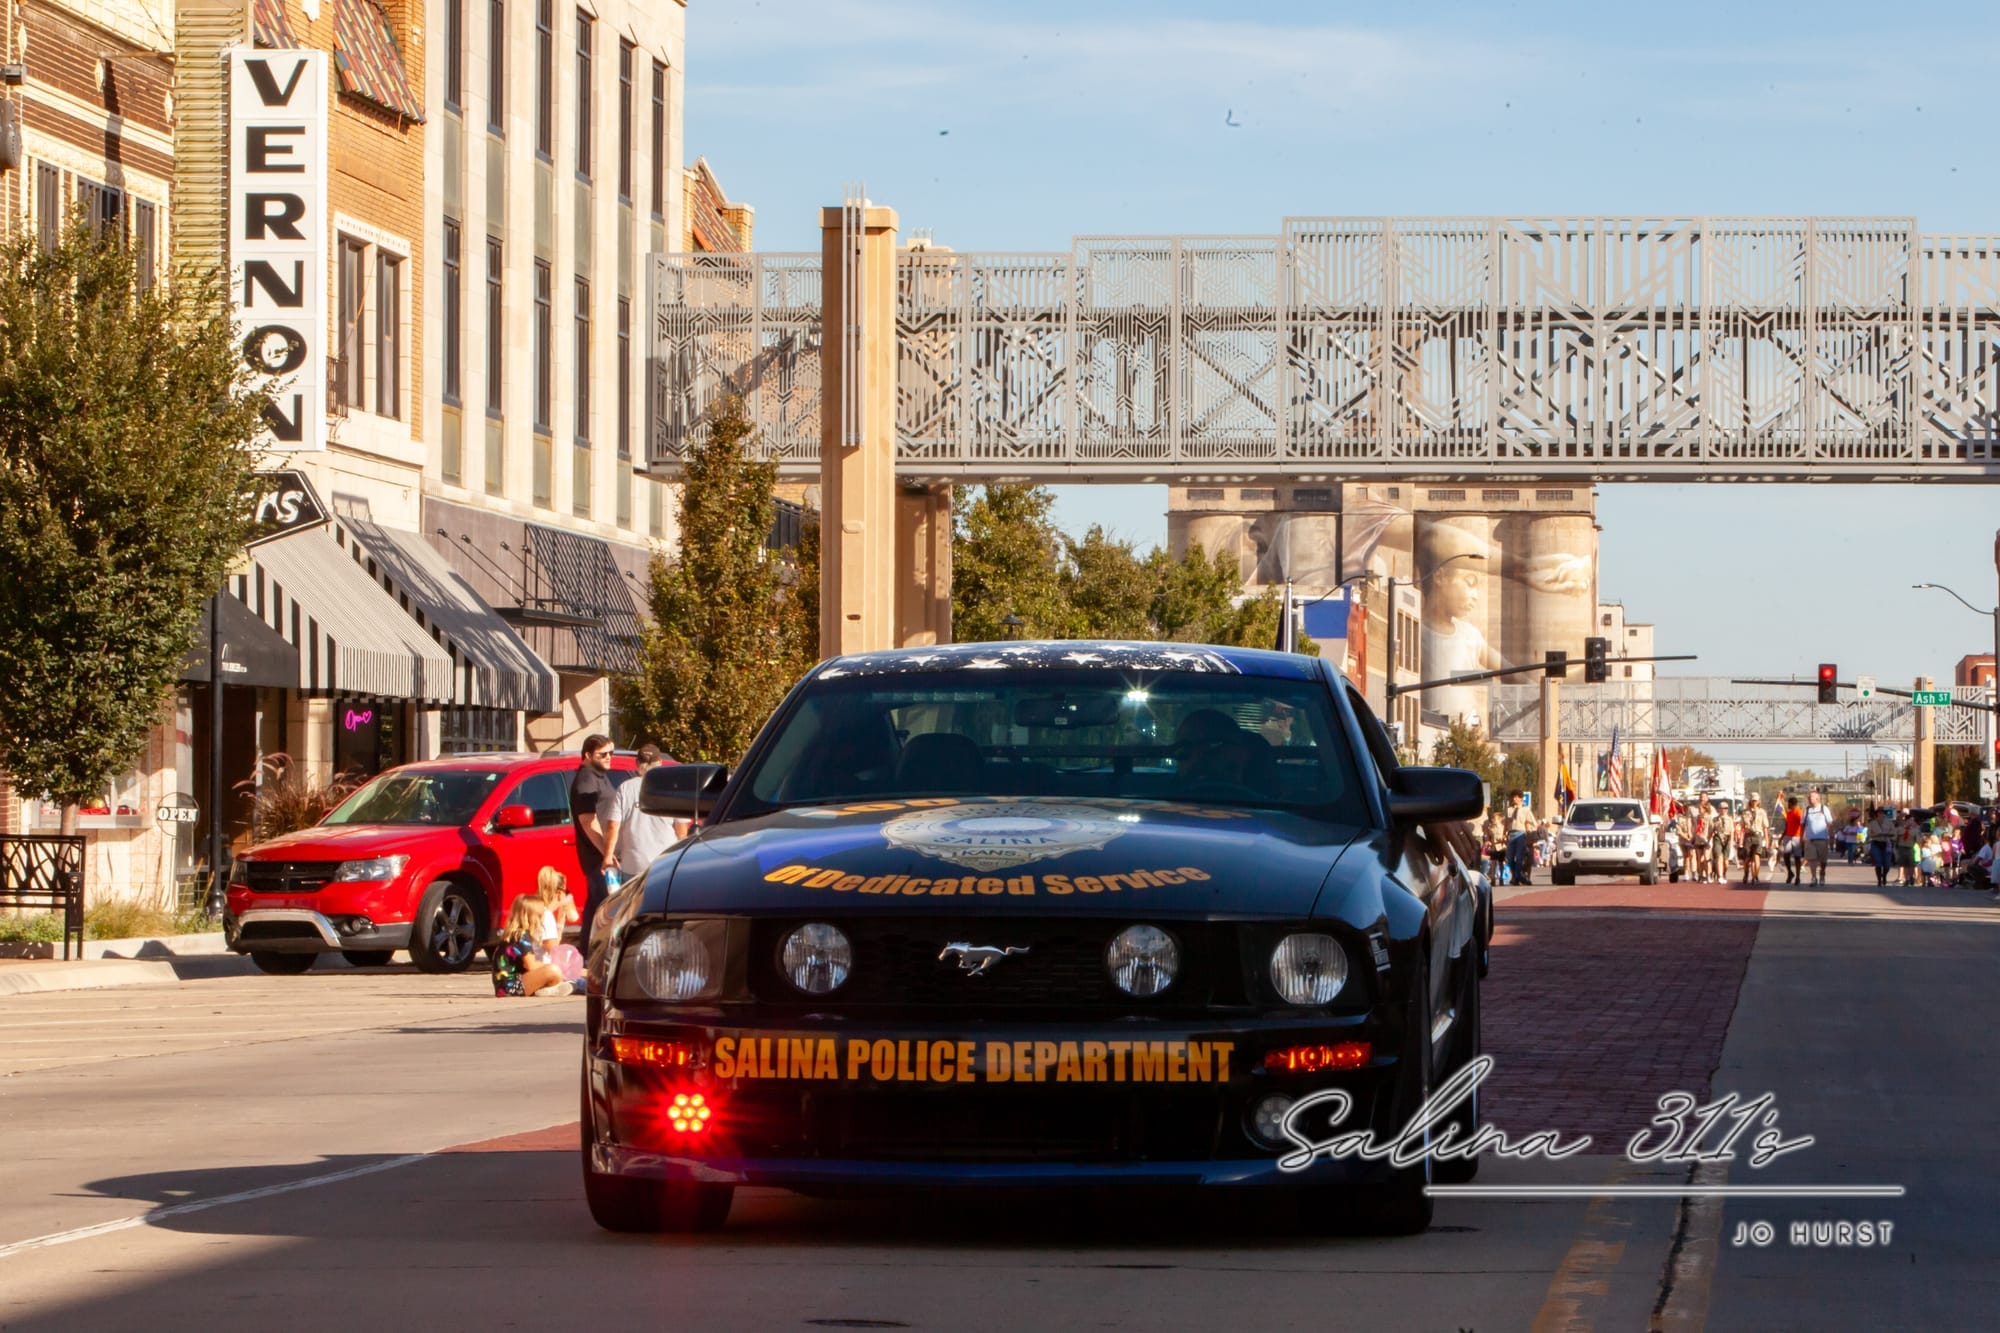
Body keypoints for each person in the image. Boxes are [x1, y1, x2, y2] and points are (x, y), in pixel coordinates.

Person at [604, 745, 686, 892]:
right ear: (660, 763)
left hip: (633, 865)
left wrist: (608, 857)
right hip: (665, 865)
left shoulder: (625, 788)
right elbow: (681, 833)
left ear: (637, 763)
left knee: (633, 904)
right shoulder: (673, 788)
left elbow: (613, 826)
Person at [569, 734, 621, 957]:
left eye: (611, 753)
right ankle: (592, 953)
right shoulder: (586, 780)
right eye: (603, 754)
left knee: (596, 903)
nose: (609, 757)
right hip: (597, 856)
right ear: (588, 755)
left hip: (603, 854)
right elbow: (588, 821)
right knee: (603, 904)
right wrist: (606, 853)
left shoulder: (598, 775)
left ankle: (588, 952)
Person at [491, 895, 571, 997]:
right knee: (554, 971)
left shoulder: (515, 934)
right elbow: (531, 965)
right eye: (541, 915)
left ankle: (548, 988)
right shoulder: (521, 936)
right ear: (532, 916)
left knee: (555, 971)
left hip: (506, 985)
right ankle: (546, 990)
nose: (543, 918)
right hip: (511, 987)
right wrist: (553, 965)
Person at [1800, 789, 1835, 886]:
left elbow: (1830, 823)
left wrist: (1831, 836)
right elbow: (1802, 825)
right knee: (1812, 859)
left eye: (1811, 797)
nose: (1809, 799)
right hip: (1810, 840)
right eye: (1808, 797)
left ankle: (1822, 874)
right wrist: (1801, 837)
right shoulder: (1807, 810)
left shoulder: (1824, 808)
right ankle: (1814, 877)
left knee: (1823, 860)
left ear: (1817, 798)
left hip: (1822, 839)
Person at [1504, 791, 1537, 886]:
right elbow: (1506, 823)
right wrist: (1504, 834)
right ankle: (1520, 877)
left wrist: (1529, 830)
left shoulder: (1526, 810)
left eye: (1516, 797)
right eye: (1513, 797)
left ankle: (1516, 878)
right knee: (1509, 858)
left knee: (1519, 857)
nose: (1514, 799)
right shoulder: (1509, 810)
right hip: (1511, 834)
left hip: (1521, 834)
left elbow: (1534, 823)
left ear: (1521, 799)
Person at [1740, 793, 1770, 885]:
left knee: (1756, 856)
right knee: (1748, 858)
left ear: (1758, 801)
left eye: (1756, 801)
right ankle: (1746, 874)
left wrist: (1767, 840)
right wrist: (1741, 839)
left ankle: (1755, 876)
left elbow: (1765, 827)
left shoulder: (1762, 812)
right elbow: (1742, 827)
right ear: (1750, 801)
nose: (1754, 802)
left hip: (1758, 835)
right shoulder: (1745, 812)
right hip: (1748, 836)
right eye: (1753, 800)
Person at [1867, 805, 1897, 887]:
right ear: (1877, 814)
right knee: (1878, 862)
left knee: (1887, 863)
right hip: (1876, 843)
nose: (1881, 814)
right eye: (1879, 813)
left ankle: (1884, 876)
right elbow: (1869, 834)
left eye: (1882, 813)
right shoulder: (1872, 823)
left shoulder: (1889, 822)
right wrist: (1877, 834)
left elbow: (1894, 833)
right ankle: (1879, 880)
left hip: (1886, 843)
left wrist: (1887, 834)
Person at [1780, 796, 1805, 884]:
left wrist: (1803, 837)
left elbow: (1803, 824)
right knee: (1786, 855)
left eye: (1788, 804)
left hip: (1797, 837)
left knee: (1797, 857)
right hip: (1788, 836)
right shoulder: (1789, 813)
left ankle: (1798, 877)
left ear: (1791, 803)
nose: (1788, 805)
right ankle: (1790, 873)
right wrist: (1782, 837)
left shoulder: (1799, 812)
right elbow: (1787, 826)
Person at [1709, 800, 1734, 885]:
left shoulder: (1730, 819)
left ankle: (1723, 873)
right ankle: (1720, 876)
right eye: (1722, 808)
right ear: (1719, 809)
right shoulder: (1715, 819)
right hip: (1718, 838)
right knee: (1719, 857)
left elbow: (1732, 831)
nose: (1724, 810)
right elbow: (1711, 831)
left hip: (1727, 838)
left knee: (1726, 862)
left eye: (1725, 808)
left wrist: (1731, 842)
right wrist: (1708, 841)